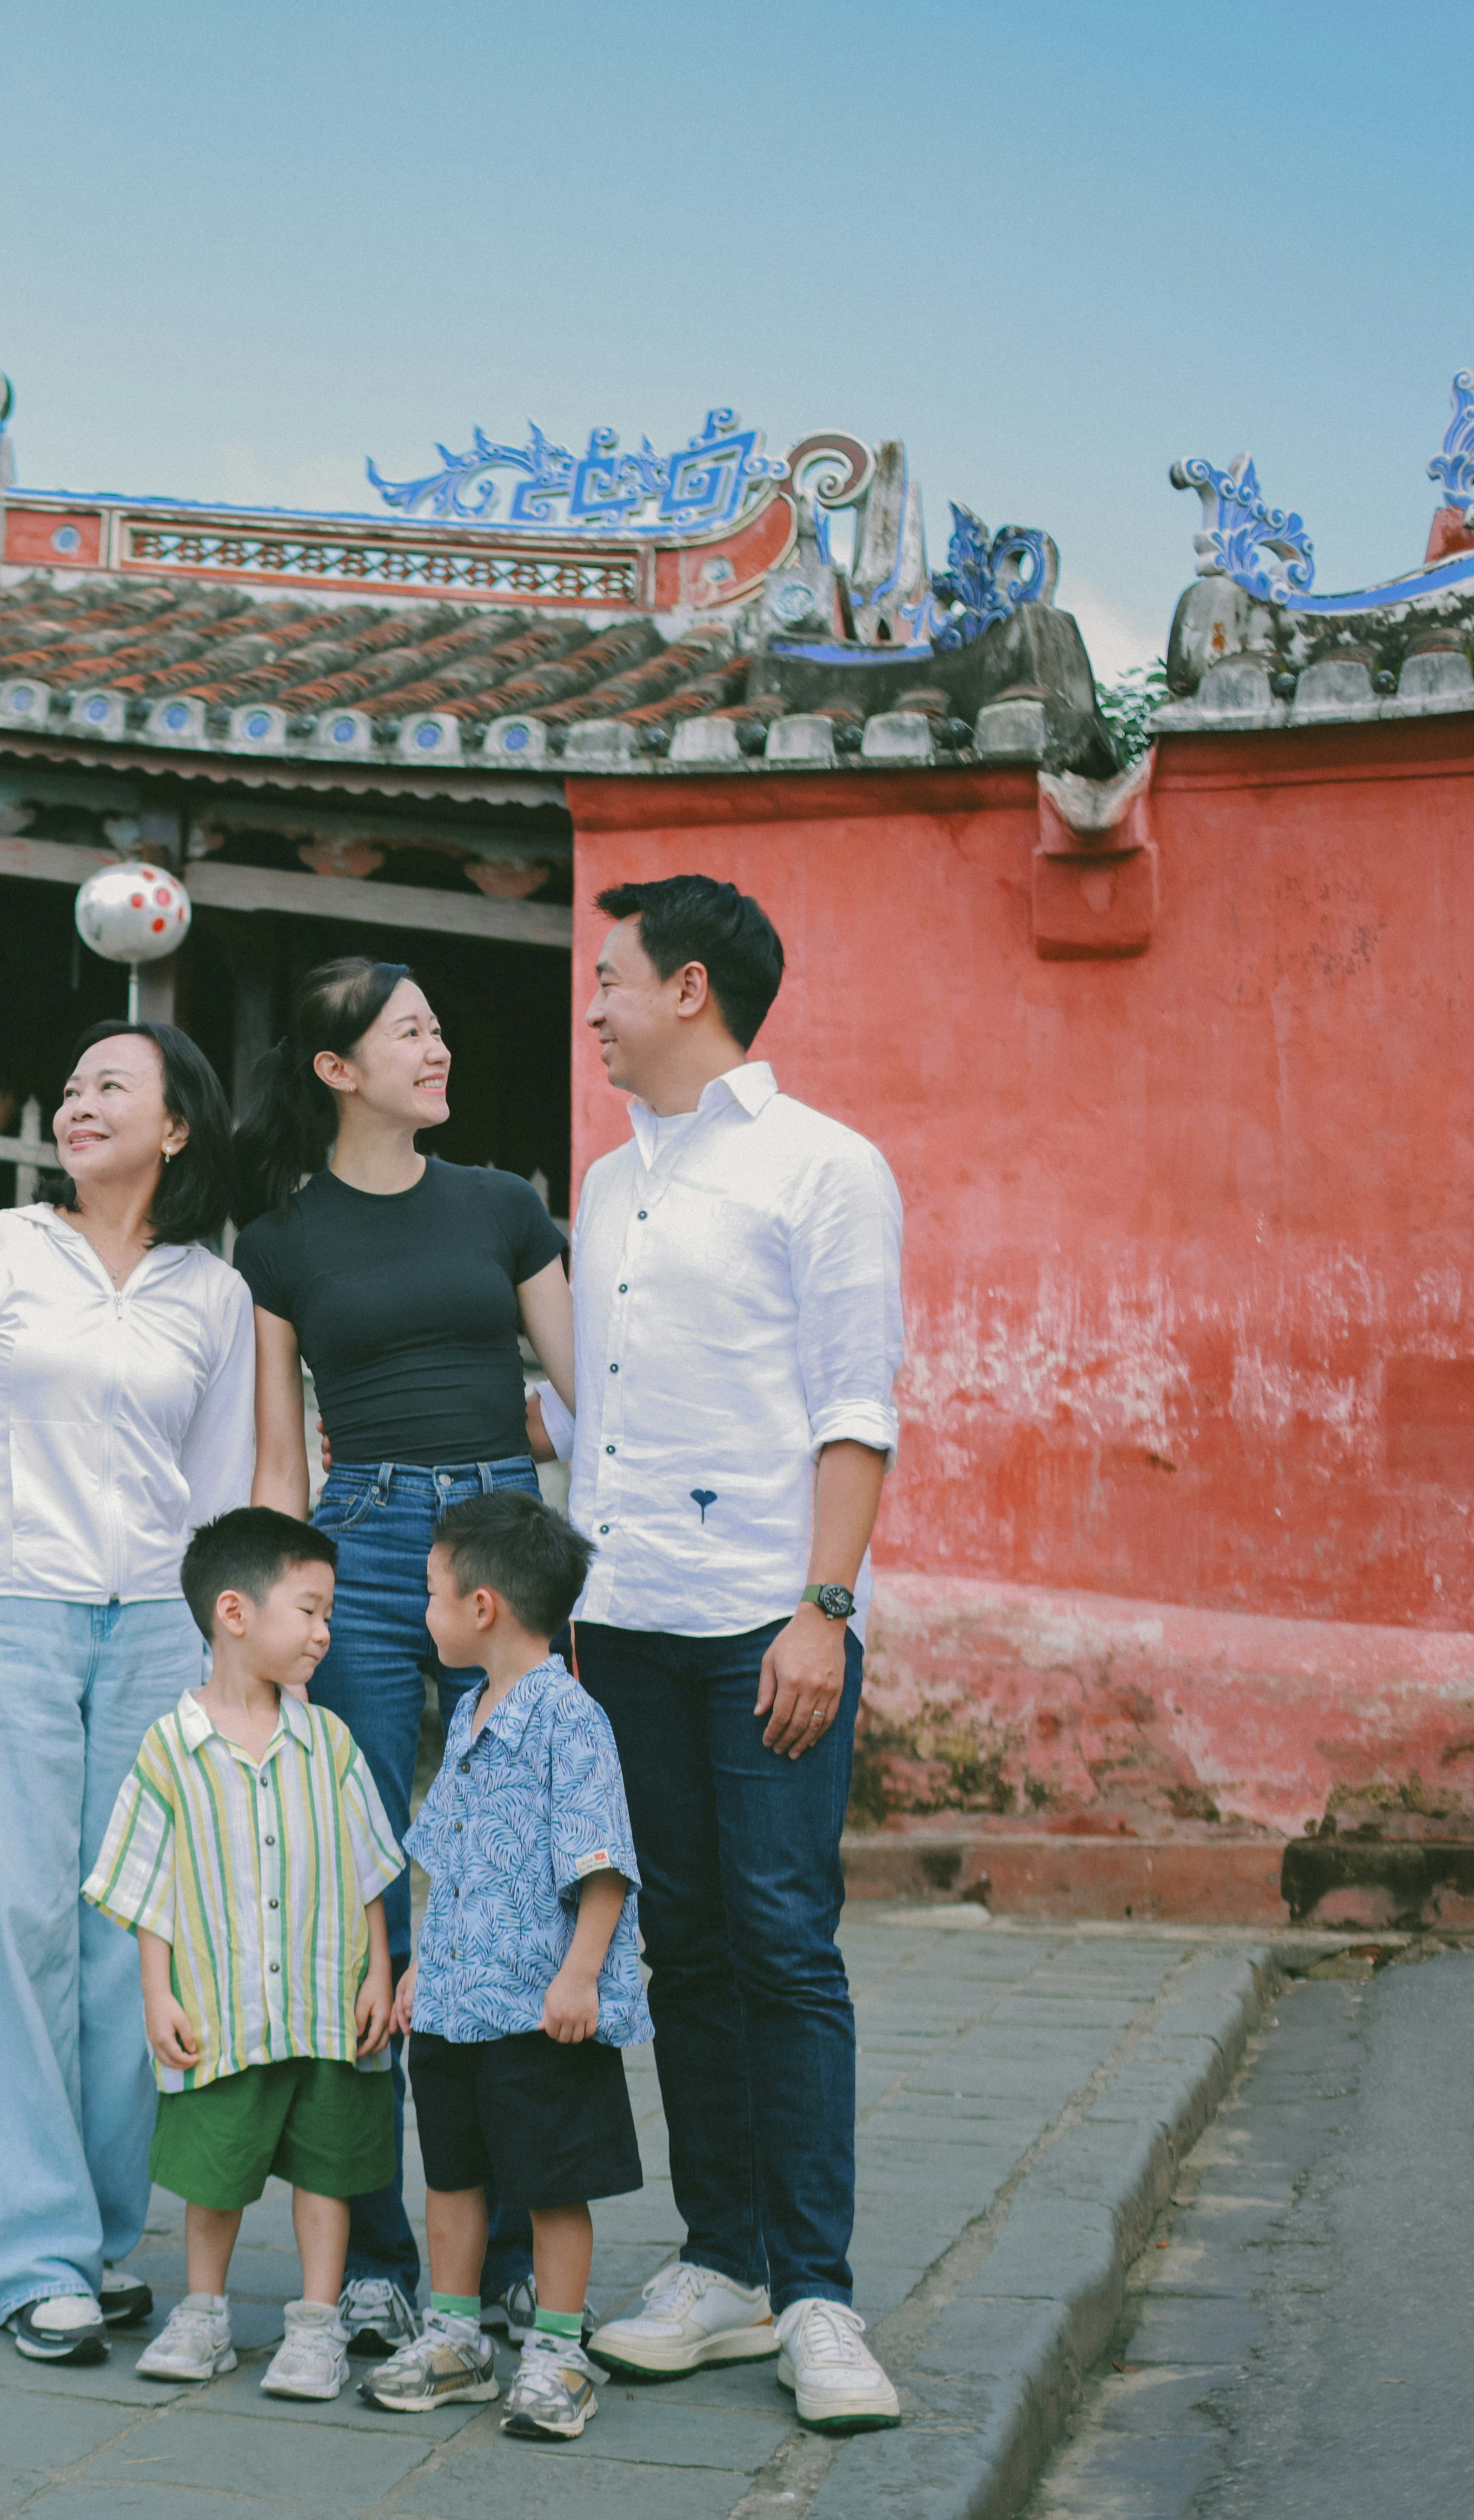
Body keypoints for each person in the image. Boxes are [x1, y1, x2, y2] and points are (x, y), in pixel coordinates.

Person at [562, 872, 905, 2435]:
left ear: (687, 989)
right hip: (627, 1619)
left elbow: (854, 1405)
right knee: (682, 1947)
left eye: (609, 978)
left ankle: (818, 2295)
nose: (592, 1006)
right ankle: (721, 2263)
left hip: (767, 1626)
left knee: (782, 1940)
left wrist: (821, 1608)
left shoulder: (824, 1166)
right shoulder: (607, 1182)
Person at [0, 1021, 256, 2365]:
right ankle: (32, 2254)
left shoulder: (211, 1294)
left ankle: (101, 2238)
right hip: (6, 1608)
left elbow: (219, 1495)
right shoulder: (0, 1249)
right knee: (14, 1922)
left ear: (176, 1126)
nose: (77, 1104)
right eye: (70, 1088)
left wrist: (223, 1662)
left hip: (157, 1630)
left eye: (112, 1086)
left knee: (128, 1933)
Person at [231, 955, 578, 2353]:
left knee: (513, 1883)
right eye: (409, 1032)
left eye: (439, 1028)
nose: (438, 1050)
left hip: (503, 1539)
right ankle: (374, 2251)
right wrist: (276, 1614)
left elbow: (588, 1396)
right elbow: (278, 1449)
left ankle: (513, 2250)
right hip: (363, 1549)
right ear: (337, 1070)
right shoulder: (281, 1239)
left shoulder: (504, 1207)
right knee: (361, 1889)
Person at [81, 1507, 403, 2402]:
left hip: (325, 2006)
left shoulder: (329, 1743)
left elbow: (370, 1872)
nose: (325, 1632)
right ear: (235, 1613)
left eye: (329, 1613)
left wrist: (379, 1974)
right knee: (212, 2171)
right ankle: (205, 2313)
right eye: (309, 1611)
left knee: (328, 2169)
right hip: (221, 2010)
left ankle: (316, 2322)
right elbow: (146, 1886)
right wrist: (157, 1994)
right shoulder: (169, 1750)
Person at [361, 1492, 644, 2441]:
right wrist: (424, 1971)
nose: (424, 1612)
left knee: (553, 2181)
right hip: (457, 2004)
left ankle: (558, 2350)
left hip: (537, 2006)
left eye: (431, 1593)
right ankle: (456, 2338)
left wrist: (581, 1976)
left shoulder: (571, 1720)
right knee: (453, 2173)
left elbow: (604, 1863)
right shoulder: (471, 1711)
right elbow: (451, 1856)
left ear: (482, 1607)